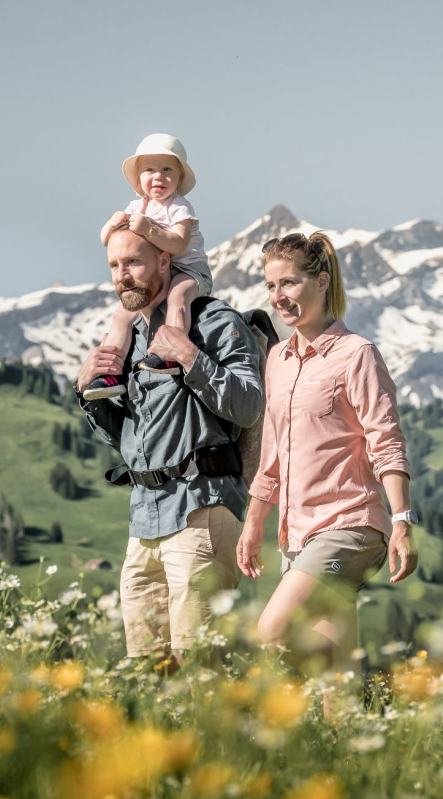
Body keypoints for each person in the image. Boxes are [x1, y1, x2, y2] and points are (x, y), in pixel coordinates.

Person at [235, 231, 419, 678]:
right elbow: (273, 454)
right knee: (332, 670)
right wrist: (254, 522)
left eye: (290, 284)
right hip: (296, 533)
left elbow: (386, 441)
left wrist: (401, 522)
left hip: (348, 526)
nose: (279, 297)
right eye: (272, 287)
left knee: (272, 631)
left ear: (321, 282)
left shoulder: (358, 355)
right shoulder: (278, 358)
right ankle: (353, 740)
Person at [78, 227, 262, 669]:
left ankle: (216, 741)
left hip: (202, 508)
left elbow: (250, 406)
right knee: (148, 666)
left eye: (134, 263)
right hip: (144, 521)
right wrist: (86, 391)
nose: (123, 276)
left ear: (165, 261)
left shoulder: (214, 321)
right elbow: (123, 437)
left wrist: (191, 357)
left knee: (198, 663)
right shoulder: (128, 340)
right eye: (115, 267)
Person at [85, 133, 214, 399]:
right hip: (158, 273)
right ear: (138, 179)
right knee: (121, 316)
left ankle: (170, 353)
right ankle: (110, 371)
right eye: (150, 170)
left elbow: (178, 244)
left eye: (167, 170)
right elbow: (105, 239)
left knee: (178, 297)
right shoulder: (136, 206)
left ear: (179, 178)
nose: (158, 177)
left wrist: (150, 230)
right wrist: (112, 223)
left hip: (190, 271)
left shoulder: (179, 207)